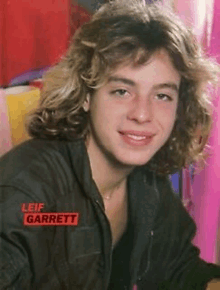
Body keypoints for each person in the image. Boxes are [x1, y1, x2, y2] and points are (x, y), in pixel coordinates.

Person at [0, 0, 220, 289]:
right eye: (121, 91)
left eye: (162, 96)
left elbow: (182, 272)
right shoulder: (27, 190)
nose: (142, 114)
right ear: (87, 94)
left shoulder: (148, 184)